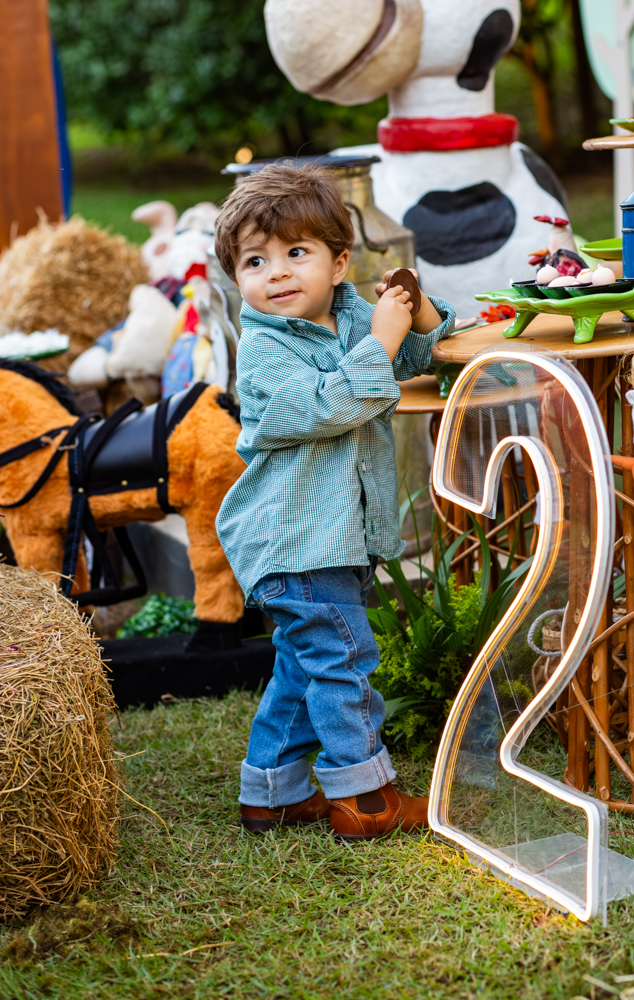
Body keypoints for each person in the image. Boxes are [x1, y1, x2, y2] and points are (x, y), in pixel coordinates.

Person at [213, 162, 456, 840]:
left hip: (335, 537)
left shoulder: (347, 316)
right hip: (294, 540)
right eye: (256, 261)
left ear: (339, 262)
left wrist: (414, 309)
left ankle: (272, 794)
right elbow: (330, 404)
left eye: (297, 253)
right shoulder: (263, 350)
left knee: (304, 665)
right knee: (343, 661)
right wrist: (382, 337)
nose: (278, 273)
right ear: (237, 279)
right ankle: (364, 798)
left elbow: (413, 359)